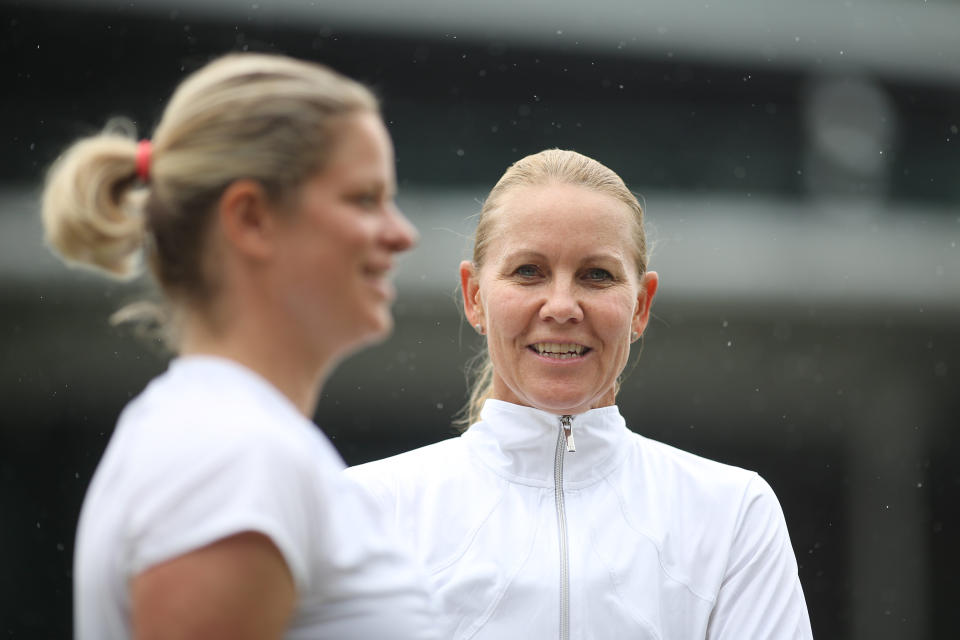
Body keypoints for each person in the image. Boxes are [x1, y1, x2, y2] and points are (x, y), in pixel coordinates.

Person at [42, 53, 438, 639]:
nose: (402, 234)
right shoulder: (234, 456)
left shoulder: (230, 439)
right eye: (363, 199)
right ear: (250, 218)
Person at [346, 149, 814, 639]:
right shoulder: (370, 507)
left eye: (597, 275)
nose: (563, 306)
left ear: (641, 305)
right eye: (529, 271)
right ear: (474, 296)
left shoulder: (732, 512)